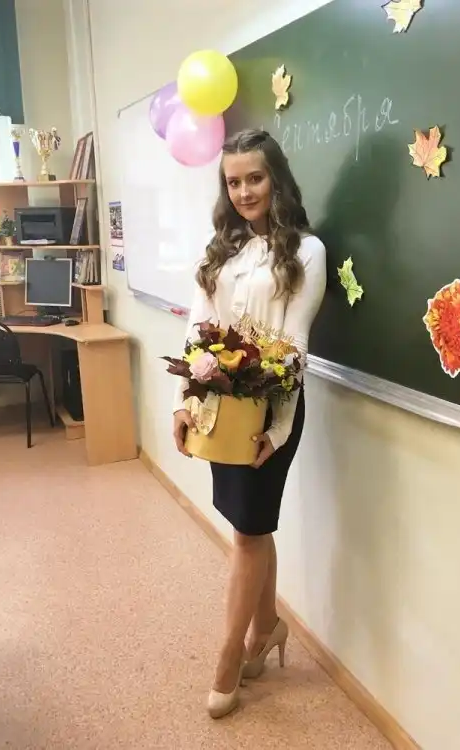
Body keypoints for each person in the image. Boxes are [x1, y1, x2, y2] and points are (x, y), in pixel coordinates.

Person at [172, 129, 326, 718]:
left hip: (271, 411)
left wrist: (278, 430)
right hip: (221, 408)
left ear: (276, 179)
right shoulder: (221, 249)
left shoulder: (306, 251)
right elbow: (197, 328)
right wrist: (185, 403)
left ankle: (229, 655)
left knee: (246, 532)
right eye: (233, 182)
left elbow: (294, 345)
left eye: (254, 178)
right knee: (251, 526)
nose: (243, 192)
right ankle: (267, 628)